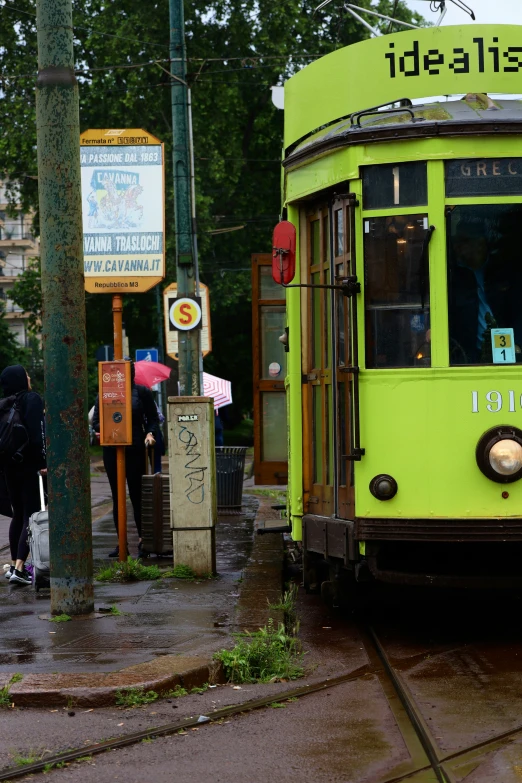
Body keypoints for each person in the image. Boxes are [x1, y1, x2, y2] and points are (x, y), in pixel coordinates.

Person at [92, 361, 160, 557]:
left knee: (137, 495)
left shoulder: (141, 392)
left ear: (130, 374)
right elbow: (96, 422)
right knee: (117, 496)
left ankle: (142, 539)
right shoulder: (104, 394)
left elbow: (153, 418)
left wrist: (149, 433)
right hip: (112, 448)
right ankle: (121, 542)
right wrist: (105, 429)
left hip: (136, 447)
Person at [0, 365, 46, 585]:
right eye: (25, 374)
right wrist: (43, 463)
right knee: (32, 513)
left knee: (18, 513)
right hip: (28, 465)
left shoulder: (5, 403)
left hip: (9, 465)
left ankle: (13, 566)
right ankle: (20, 568)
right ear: (20, 379)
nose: (29, 377)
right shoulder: (31, 399)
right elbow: (37, 436)